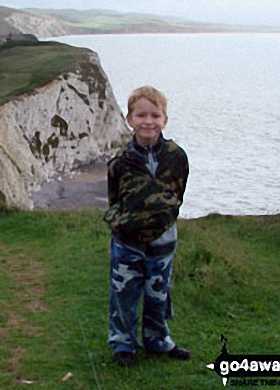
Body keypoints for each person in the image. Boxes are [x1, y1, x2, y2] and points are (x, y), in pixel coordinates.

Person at [103, 85, 190, 366]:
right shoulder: (120, 161)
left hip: (164, 242)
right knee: (124, 294)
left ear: (165, 119)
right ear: (129, 119)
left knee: (158, 293)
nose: (148, 121)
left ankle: (158, 340)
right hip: (127, 243)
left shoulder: (177, 157)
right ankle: (123, 344)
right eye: (141, 115)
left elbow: (178, 196)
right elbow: (114, 198)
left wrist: (161, 221)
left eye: (155, 115)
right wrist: (123, 224)